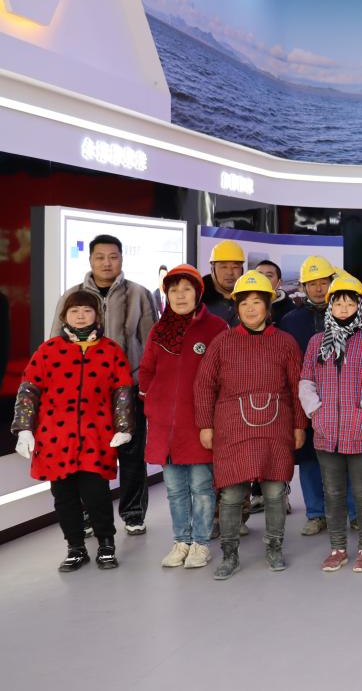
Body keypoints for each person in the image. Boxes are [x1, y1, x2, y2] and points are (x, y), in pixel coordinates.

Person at [193, 271, 306, 579]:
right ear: (237, 308)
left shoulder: (285, 343)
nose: (251, 308)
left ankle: (274, 548)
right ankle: (229, 554)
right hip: (232, 426)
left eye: (257, 302)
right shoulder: (222, 342)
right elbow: (204, 385)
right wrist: (205, 425)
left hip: (276, 425)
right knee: (231, 494)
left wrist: (299, 425)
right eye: (244, 303)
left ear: (268, 307)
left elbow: (296, 386)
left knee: (275, 491)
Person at [15, 292, 134, 571]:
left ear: (97, 315)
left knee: (96, 493)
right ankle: (75, 547)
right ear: (64, 316)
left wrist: (124, 426)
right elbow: (28, 390)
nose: (81, 315)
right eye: (74, 310)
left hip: (96, 435)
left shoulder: (111, 350)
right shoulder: (48, 350)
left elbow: (122, 390)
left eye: (87, 310)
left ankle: (106, 544)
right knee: (64, 496)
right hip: (54, 437)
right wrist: (23, 428)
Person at [49, 233, 155, 535]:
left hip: (129, 388)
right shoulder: (73, 295)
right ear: (90, 260)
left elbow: (150, 343)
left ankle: (133, 513)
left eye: (113, 257)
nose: (107, 263)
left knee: (131, 456)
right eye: (100, 257)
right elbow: (55, 342)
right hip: (83, 394)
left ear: (121, 258)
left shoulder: (139, 293)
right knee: (86, 457)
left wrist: (145, 385)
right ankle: (88, 516)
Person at [137, 265, 228, 570]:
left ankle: (201, 543)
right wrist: (151, 401)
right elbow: (147, 369)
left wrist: (214, 418)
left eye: (186, 289)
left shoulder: (215, 327)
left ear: (198, 293)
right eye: (173, 290)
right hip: (165, 425)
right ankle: (181, 541)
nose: (179, 296)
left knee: (202, 486)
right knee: (175, 489)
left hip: (200, 423)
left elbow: (224, 374)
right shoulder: (159, 329)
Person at [299, 275, 362, 574]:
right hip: (326, 432)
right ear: (330, 306)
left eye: (351, 303)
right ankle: (337, 548)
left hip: (361, 430)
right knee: (333, 494)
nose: (344, 308)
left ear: (359, 307)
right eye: (338, 303)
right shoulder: (317, 342)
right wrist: (315, 410)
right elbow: (306, 380)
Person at [280, 255, 362, 535]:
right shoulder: (290, 320)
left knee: (347, 457)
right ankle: (316, 513)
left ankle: (353, 512)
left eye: (323, 282)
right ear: (303, 287)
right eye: (312, 283)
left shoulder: (355, 316)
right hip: (307, 401)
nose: (318, 288)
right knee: (309, 460)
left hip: (347, 402)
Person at [201, 240, 246, 324]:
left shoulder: (250, 298)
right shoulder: (198, 299)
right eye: (223, 267)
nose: (230, 272)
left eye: (235, 267)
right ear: (212, 269)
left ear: (242, 270)